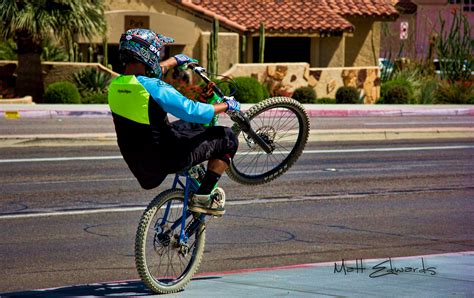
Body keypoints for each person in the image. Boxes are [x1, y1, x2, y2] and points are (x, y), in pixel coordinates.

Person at [108, 28, 240, 216]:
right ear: (148, 55)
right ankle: (203, 197)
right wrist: (226, 106)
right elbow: (192, 111)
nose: (159, 55)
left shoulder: (116, 85)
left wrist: (173, 61)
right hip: (167, 158)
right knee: (227, 137)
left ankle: (194, 171)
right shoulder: (154, 87)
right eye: (158, 52)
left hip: (140, 162)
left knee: (190, 126)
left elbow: (143, 77)